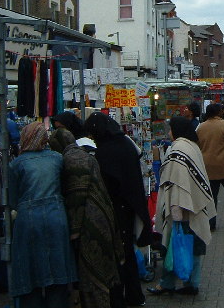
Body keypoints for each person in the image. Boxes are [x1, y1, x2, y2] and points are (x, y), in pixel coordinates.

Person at [49, 128, 124, 308]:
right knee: (103, 270)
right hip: (104, 215)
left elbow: (77, 196)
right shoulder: (83, 155)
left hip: (90, 222)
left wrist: (74, 229)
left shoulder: (72, 160)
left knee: (93, 274)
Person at [84, 112, 153, 307]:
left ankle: (118, 297)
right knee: (128, 251)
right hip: (131, 205)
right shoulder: (126, 143)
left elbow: (109, 182)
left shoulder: (106, 151)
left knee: (117, 254)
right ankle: (134, 295)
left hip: (117, 208)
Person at [8, 122, 77, 308]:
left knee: (30, 275)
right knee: (58, 274)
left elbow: (12, 200)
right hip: (56, 217)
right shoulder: (57, 159)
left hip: (28, 220)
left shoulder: (17, 164)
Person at [148, 116, 216, 297]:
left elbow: (176, 182)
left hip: (181, 207)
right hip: (194, 205)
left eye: (170, 129)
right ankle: (192, 283)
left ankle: (167, 283)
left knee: (173, 244)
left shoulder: (177, 149)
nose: (169, 133)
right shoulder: (192, 147)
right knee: (192, 245)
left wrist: (176, 210)